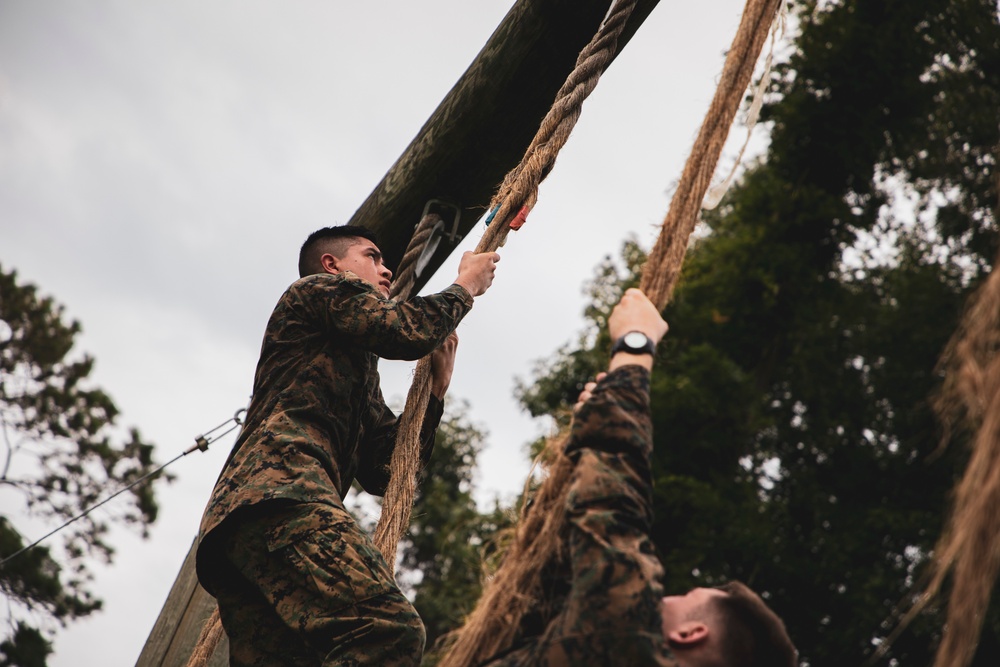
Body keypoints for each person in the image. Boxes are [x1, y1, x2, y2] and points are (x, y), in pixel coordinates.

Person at [195, 224, 500, 667]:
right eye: (372, 257)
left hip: (248, 528)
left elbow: (384, 471)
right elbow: (402, 331)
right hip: (280, 492)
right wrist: (465, 286)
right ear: (332, 264)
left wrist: (434, 395)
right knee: (387, 629)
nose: (387, 269)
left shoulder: (358, 375)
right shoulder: (313, 292)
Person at [481, 288, 796, 667]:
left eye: (685, 597)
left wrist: (634, 348)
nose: (663, 596)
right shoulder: (601, 648)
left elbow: (612, 507)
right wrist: (586, 438)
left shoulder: (634, 648)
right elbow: (545, 591)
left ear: (691, 633)